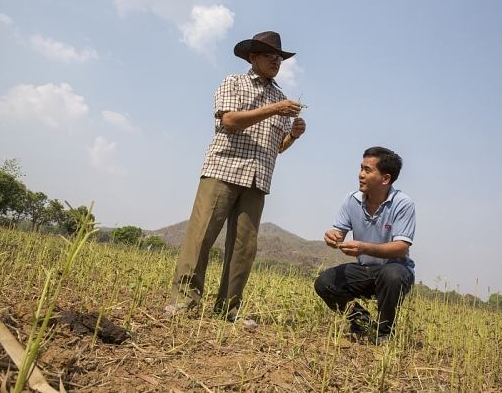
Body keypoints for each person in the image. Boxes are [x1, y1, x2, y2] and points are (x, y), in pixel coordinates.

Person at [167, 31, 306, 328]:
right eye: (270, 56)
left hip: (258, 177)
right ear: (252, 57)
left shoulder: (281, 98)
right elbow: (229, 121)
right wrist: (274, 110)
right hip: (224, 168)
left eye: (279, 57)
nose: (276, 62)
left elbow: (275, 146)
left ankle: (228, 308)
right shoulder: (234, 82)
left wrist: (292, 135)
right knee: (202, 234)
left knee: (244, 246)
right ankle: (184, 301)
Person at [314, 147, 415, 343]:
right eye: (361, 168)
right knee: (324, 282)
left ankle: (384, 333)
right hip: (363, 270)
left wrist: (364, 248)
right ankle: (360, 319)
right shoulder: (351, 200)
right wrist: (333, 237)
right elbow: (339, 232)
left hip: (395, 270)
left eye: (368, 170)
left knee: (392, 274)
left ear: (385, 179)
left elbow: (402, 247)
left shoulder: (403, 204)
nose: (361, 175)